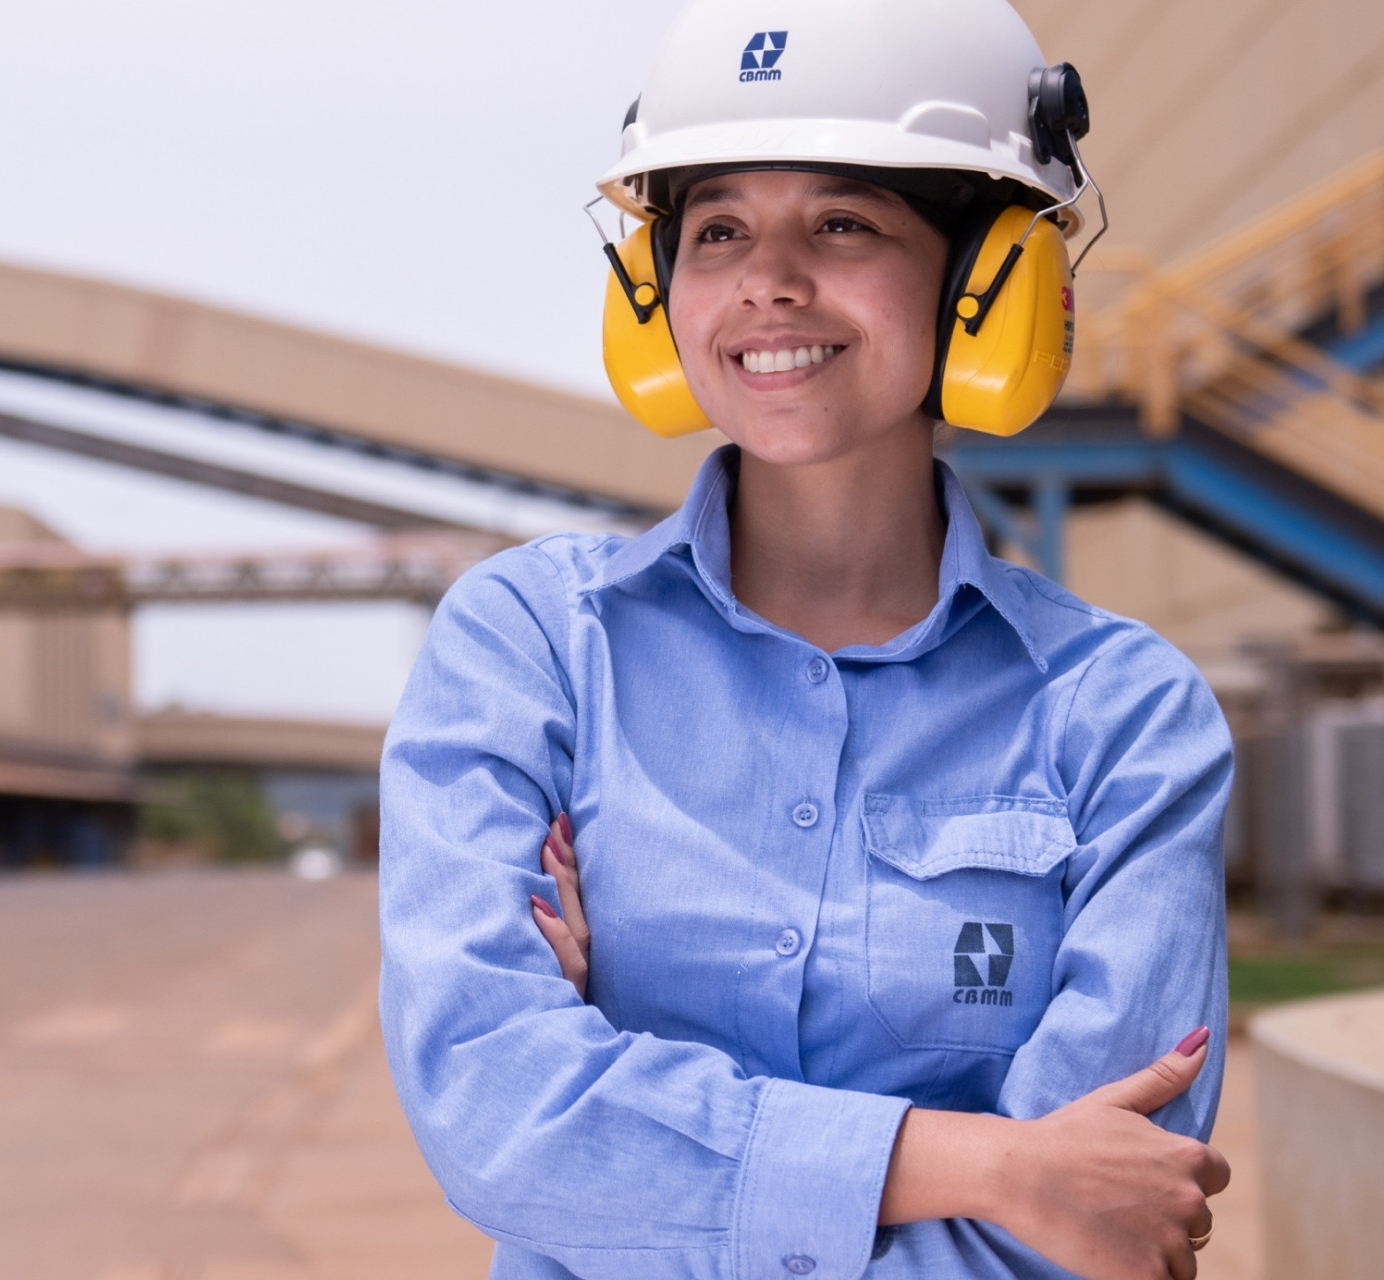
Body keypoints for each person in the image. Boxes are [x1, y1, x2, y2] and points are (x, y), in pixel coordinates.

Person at [378, 3, 1233, 1277]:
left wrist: (634, 1154)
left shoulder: (1126, 716)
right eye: (716, 228)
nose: (769, 280)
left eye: (843, 222)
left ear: (985, 277)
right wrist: (996, 1160)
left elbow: (1092, 1232)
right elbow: (499, 1118)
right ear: (654, 287)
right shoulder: (532, 645)